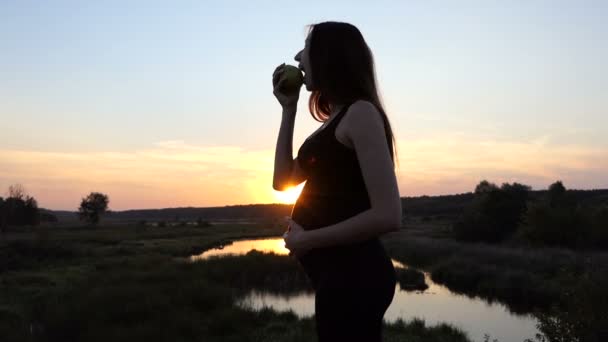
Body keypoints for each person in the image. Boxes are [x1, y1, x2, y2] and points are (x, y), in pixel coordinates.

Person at [272, 21, 402, 342]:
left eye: (308, 47)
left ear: (329, 56)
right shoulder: (334, 121)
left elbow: (388, 215)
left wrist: (308, 240)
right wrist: (288, 111)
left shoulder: (360, 114)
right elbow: (283, 180)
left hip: (356, 277)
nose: (298, 57)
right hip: (337, 278)